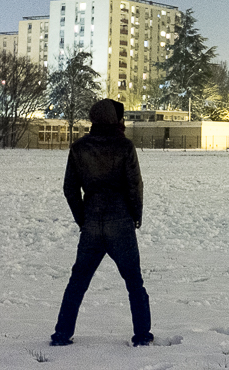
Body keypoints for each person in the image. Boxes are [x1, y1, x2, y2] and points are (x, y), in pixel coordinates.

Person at [51, 99, 153, 347]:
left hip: (93, 220)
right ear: (114, 119)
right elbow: (134, 185)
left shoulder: (79, 148)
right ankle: (142, 335)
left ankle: (62, 334)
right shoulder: (125, 146)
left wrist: (83, 218)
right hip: (120, 220)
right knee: (134, 282)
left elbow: (70, 189)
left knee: (77, 282)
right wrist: (136, 215)